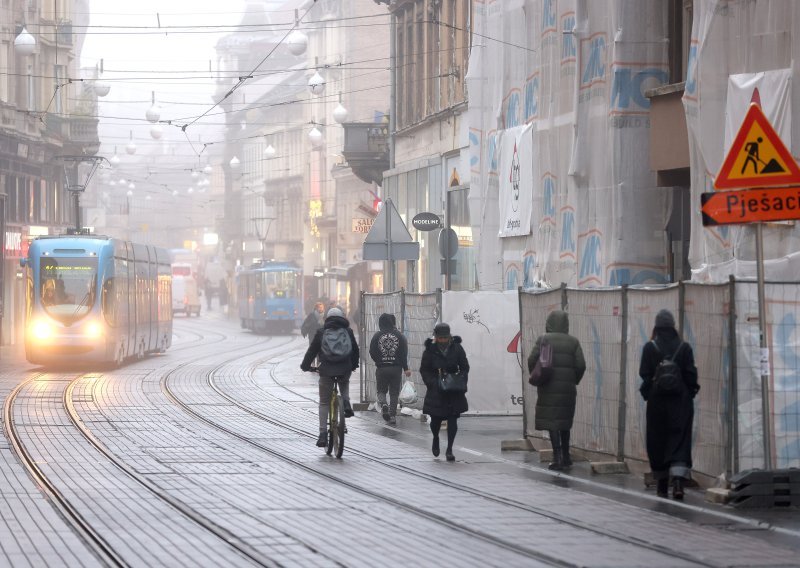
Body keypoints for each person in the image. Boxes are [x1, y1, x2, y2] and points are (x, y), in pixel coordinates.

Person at [639, 309, 699, 500]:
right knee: (679, 439)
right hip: (680, 403)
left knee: (657, 441)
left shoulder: (650, 348)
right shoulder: (684, 347)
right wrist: (689, 394)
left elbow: (645, 374)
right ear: (673, 326)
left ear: (656, 326)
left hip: (657, 402)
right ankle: (679, 482)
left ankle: (662, 484)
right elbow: (691, 376)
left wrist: (649, 393)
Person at [527, 310, 586, 471]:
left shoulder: (544, 339)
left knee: (553, 422)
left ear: (549, 323)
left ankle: (557, 457)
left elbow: (532, 359)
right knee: (564, 422)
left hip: (548, 387)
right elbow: (581, 365)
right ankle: (566, 457)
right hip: (568, 389)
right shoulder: (573, 342)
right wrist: (573, 380)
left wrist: (539, 376)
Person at [301, 307, 360, 447]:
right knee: (344, 382)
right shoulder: (348, 331)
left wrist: (305, 366)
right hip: (344, 368)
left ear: (327, 318)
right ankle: (345, 403)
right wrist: (353, 365)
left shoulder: (321, 332)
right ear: (342, 317)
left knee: (324, 402)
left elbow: (312, 351)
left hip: (326, 370)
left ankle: (322, 435)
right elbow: (355, 350)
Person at [420, 323, 469, 462]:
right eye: (440, 338)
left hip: (453, 390)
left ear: (449, 337)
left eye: (445, 338)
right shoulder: (430, 350)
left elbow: (465, 367)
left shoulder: (457, 348)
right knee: (435, 421)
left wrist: (460, 379)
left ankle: (449, 449)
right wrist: (432, 383)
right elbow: (424, 369)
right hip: (436, 390)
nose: (442, 340)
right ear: (435, 337)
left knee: (453, 420)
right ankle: (435, 438)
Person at [369, 313, 411, 425]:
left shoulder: (377, 336)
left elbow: (372, 351)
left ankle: (383, 405)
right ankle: (392, 416)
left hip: (382, 368)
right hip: (396, 368)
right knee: (394, 392)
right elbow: (403, 353)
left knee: (381, 391)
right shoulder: (399, 335)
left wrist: (378, 361)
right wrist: (405, 368)